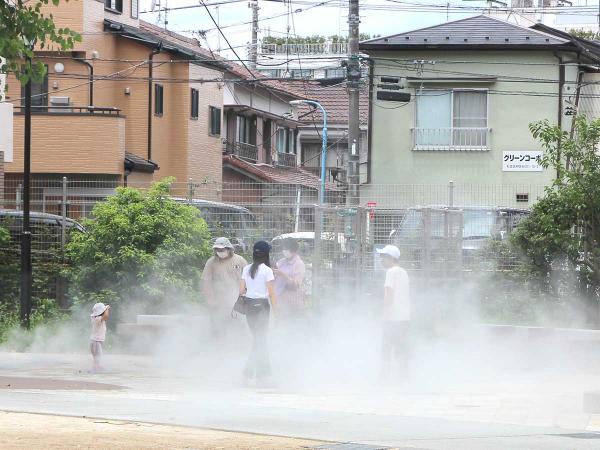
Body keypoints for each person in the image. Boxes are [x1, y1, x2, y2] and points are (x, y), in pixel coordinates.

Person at [240, 240, 277, 386]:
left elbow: (241, 290)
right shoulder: (267, 271)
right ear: (266, 254)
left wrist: (252, 290)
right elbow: (272, 294)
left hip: (249, 306)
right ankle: (247, 375)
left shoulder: (247, 269)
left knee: (259, 341)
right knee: (260, 341)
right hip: (261, 306)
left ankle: (263, 376)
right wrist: (277, 313)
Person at [201, 237, 247, 339]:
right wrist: (210, 300)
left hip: (237, 302)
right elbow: (206, 282)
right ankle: (219, 350)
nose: (219, 252)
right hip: (218, 302)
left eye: (222, 249)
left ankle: (237, 348)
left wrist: (245, 297)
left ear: (229, 248)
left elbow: (248, 280)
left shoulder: (240, 260)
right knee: (218, 329)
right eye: (217, 250)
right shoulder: (211, 262)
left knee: (237, 329)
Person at [376, 244, 410, 379]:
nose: (381, 260)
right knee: (401, 348)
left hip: (392, 318)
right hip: (404, 317)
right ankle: (404, 377)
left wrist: (382, 312)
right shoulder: (404, 272)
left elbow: (389, 296)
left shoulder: (390, 272)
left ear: (391, 258)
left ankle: (384, 377)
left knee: (386, 349)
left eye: (383, 257)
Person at [274, 238, 306, 318]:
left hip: (292, 302)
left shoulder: (299, 264)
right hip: (279, 300)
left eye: (286, 249)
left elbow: (296, 285)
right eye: (283, 248)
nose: (284, 251)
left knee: (290, 325)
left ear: (293, 250)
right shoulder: (282, 261)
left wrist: (282, 274)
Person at [90, 302, 110, 373]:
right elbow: (106, 316)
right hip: (96, 341)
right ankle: (95, 368)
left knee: (97, 355)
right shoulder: (97, 319)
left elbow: (104, 316)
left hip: (95, 341)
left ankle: (96, 366)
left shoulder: (94, 317)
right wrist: (107, 308)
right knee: (98, 355)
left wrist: (104, 309)